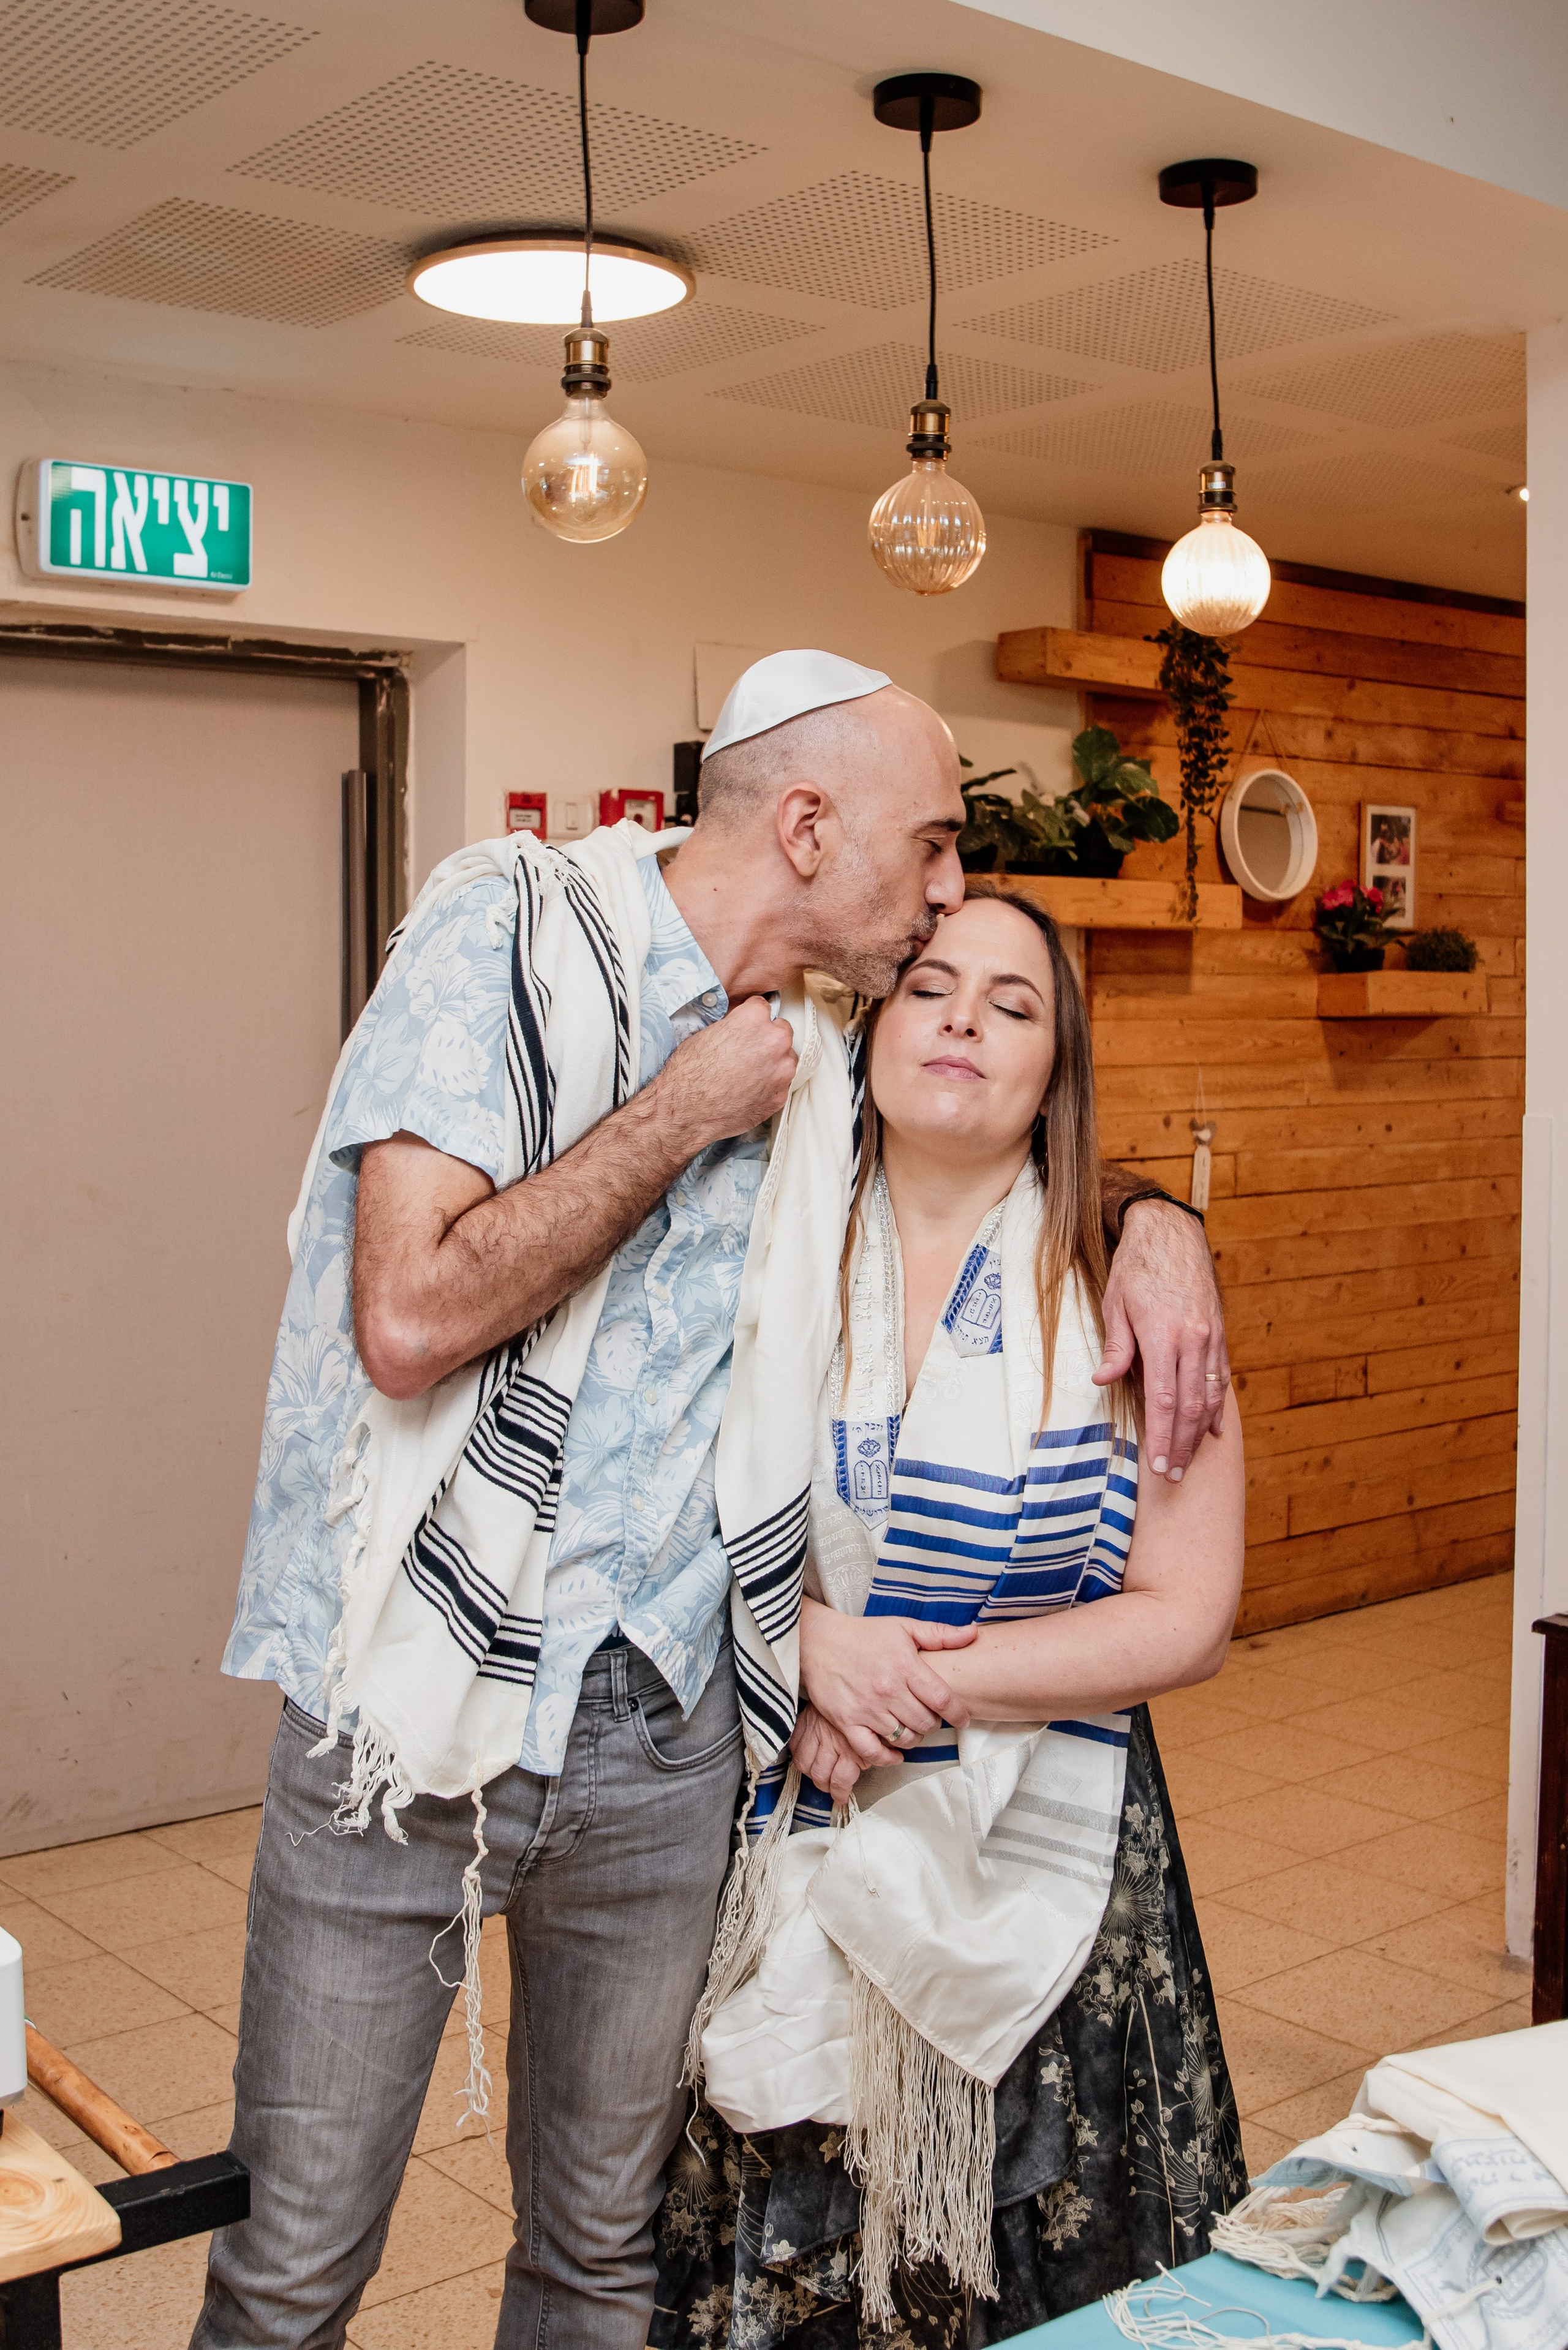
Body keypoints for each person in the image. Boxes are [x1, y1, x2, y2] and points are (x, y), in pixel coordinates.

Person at [197, 653, 1229, 2350]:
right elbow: (407, 1318)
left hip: (673, 1725)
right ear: (811, 827)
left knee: (601, 2254)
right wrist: (680, 1112)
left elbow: (988, 1149)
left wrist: (1153, 1224)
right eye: (935, 844)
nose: (955, 887)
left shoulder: (829, 1044)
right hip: (417, 1699)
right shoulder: (510, 935)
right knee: (297, 2257)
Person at [654, 885, 1248, 2350]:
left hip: (1052, 1852)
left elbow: (1186, 1612)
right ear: (869, 1026)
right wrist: (799, 1636)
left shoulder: (1132, 1292)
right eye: (929, 985)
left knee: (1041, 2275)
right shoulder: (754, 1251)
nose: (965, 1020)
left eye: (1013, 1001)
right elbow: (651, 1514)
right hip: (789, 1812)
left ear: (1058, 1069)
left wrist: (903, 1676)